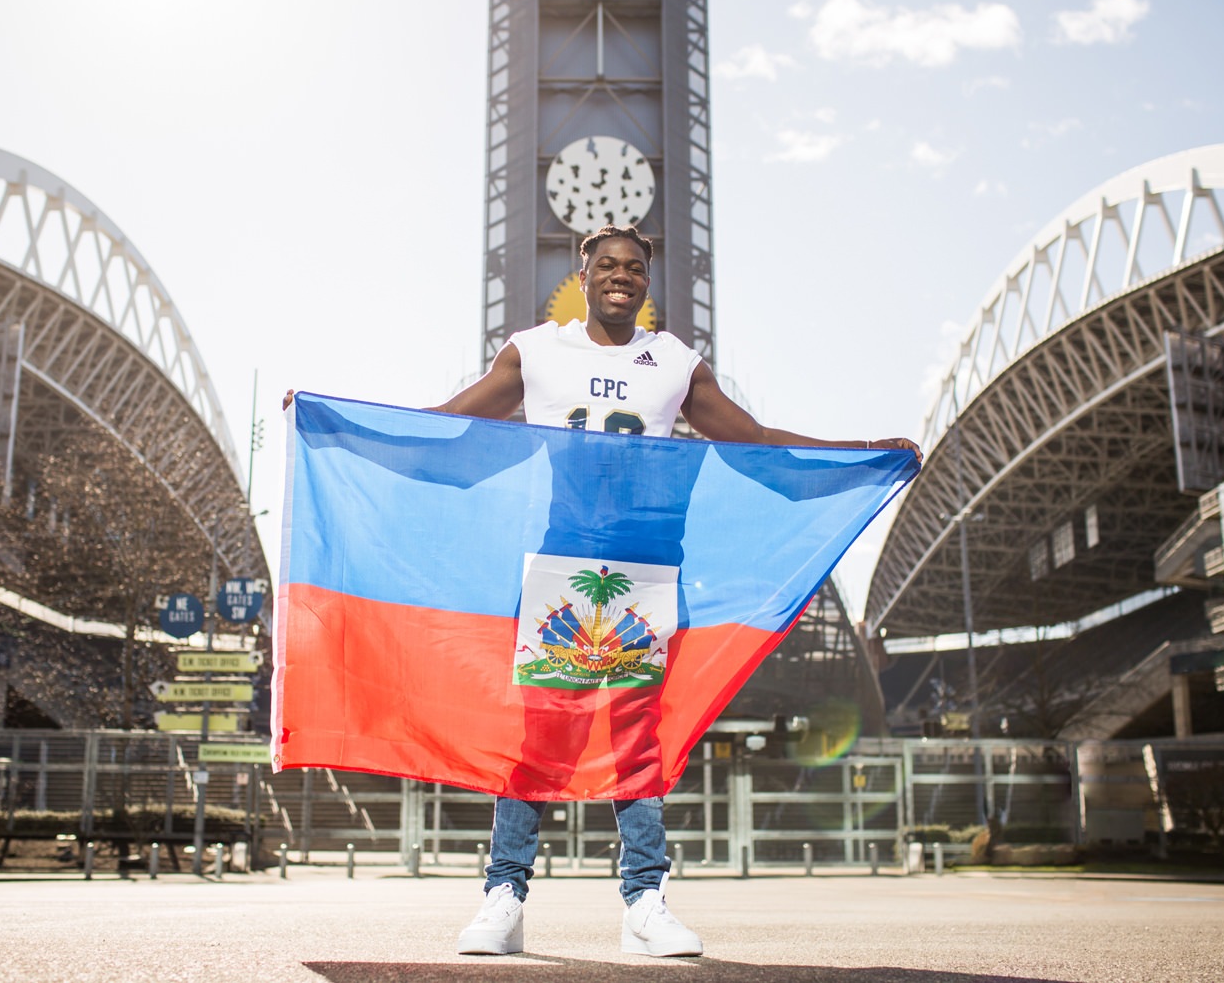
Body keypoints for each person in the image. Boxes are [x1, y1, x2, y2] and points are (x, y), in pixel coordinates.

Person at [286, 224, 920, 958]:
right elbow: (453, 423)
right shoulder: (537, 350)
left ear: (647, 283)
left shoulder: (675, 363)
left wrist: (861, 452)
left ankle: (645, 901)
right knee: (542, 732)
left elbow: (752, 440)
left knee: (633, 736)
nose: (623, 275)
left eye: (636, 267)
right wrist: (341, 424)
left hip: (647, 564)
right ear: (581, 274)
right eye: (609, 264)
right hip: (565, 564)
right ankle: (505, 897)